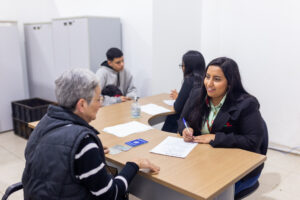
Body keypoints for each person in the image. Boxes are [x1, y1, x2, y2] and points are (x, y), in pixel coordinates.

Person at [22, 68, 160, 200]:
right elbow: (111, 194)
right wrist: (135, 164)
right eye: (98, 99)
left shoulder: (44, 123)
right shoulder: (83, 142)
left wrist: (92, 153)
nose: (100, 105)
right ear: (82, 105)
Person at [178, 57, 268, 198]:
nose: (209, 83)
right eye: (207, 77)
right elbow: (182, 120)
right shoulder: (197, 94)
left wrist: (215, 137)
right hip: (204, 163)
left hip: (237, 170)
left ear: (230, 83)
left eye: (217, 79)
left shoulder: (246, 104)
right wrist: (185, 129)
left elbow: (253, 141)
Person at [162, 50, 205, 133]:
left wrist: (178, 97)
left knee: (171, 116)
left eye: (183, 65)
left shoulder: (189, 80)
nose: (182, 68)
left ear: (188, 67)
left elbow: (177, 107)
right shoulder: (205, 79)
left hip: (188, 124)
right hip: (200, 122)